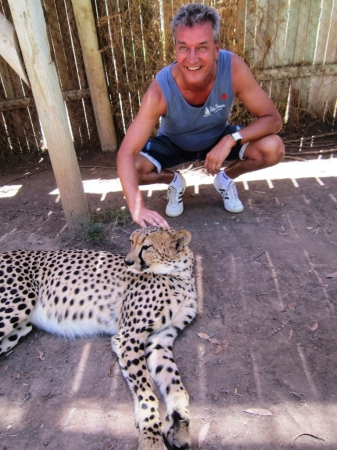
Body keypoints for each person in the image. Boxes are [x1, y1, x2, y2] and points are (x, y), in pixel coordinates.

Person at [117, 3, 284, 228]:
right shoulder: (159, 91)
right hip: (173, 143)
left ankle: (225, 179)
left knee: (273, 148)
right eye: (184, 47)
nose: (192, 59)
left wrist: (230, 140)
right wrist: (137, 207)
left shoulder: (232, 67)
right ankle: (174, 181)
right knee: (133, 171)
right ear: (175, 49)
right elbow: (126, 153)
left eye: (202, 47)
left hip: (218, 137)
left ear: (217, 49)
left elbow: (273, 119)